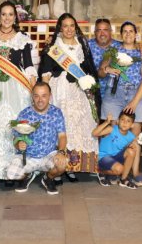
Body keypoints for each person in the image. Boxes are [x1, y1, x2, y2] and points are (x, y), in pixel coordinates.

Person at [0, 1, 37, 185]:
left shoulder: (22, 38)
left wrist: (33, 88)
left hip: (16, 86)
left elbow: (27, 66)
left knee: (15, 125)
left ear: (15, 17)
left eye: (11, 14)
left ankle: (15, 169)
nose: (7, 18)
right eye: (4, 14)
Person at [39, 13, 99, 179]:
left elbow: (88, 69)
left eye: (71, 25)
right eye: (65, 26)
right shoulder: (54, 48)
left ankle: (73, 165)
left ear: (75, 27)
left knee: (79, 124)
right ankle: (58, 166)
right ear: (60, 28)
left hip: (79, 91)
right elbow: (45, 73)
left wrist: (89, 86)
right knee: (61, 126)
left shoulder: (82, 45)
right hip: (60, 92)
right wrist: (46, 96)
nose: (69, 29)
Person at [97, 20, 142, 185]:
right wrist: (106, 70)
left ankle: (134, 171)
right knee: (112, 133)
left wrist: (134, 102)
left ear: (136, 34)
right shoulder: (112, 51)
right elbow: (100, 72)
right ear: (121, 35)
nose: (128, 34)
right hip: (115, 92)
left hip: (136, 93)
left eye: (131, 31)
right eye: (125, 31)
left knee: (133, 136)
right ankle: (113, 168)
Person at [6, 81, 68, 195]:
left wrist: (61, 152)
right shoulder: (25, 114)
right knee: (11, 174)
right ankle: (27, 175)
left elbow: (62, 136)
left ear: (50, 96)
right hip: (28, 156)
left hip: (48, 155)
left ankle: (48, 178)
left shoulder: (56, 113)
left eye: (44, 96)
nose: (40, 100)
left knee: (62, 164)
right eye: (36, 96)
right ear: (32, 97)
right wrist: (18, 143)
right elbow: (16, 138)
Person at [92, 111, 139, 189]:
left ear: (132, 125)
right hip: (104, 157)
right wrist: (106, 122)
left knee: (131, 150)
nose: (125, 123)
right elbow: (94, 133)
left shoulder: (131, 136)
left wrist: (132, 145)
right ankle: (100, 171)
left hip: (116, 157)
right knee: (120, 169)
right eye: (122, 120)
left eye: (128, 121)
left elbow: (129, 150)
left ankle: (123, 179)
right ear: (118, 121)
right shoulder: (111, 129)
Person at [88, 18, 121, 97]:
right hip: (91, 92)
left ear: (110, 31)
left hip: (115, 93)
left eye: (105, 30)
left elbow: (133, 47)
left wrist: (141, 46)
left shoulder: (120, 46)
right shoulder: (86, 46)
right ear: (94, 32)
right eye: (99, 30)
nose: (102, 34)